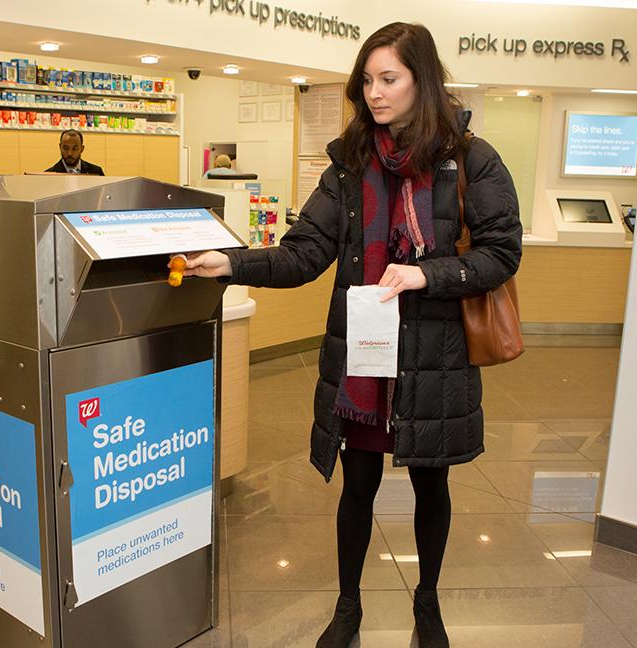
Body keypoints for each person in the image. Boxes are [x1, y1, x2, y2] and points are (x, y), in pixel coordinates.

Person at [179, 22, 521, 648]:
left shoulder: (471, 159)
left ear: (423, 79)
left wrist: (424, 273)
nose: (374, 93)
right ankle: (348, 606)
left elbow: (502, 254)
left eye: (388, 79)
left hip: (433, 357)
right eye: (366, 80)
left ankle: (427, 602)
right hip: (364, 358)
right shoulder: (349, 163)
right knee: (358, 486)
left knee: (430, 484)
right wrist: (231, 262)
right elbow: (304, 253)